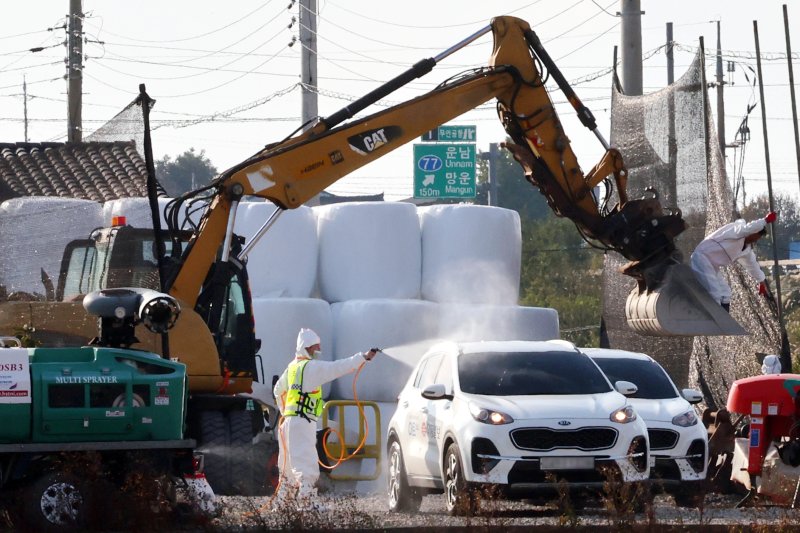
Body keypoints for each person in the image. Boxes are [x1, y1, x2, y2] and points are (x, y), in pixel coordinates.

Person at [272, 327, 378, 506]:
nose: (318, 351)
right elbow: (337, 367)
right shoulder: (311, 367)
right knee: (307, 465)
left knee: (287, 469)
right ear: (307, 347)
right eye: (316, 347)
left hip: (288, 424)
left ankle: (282, 507)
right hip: (302, 422)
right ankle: (307, 505)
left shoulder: (292, 368)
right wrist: (362, 357)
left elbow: (277, 391)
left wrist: (286, 412)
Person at [690, 212, 777, 312]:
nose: (756, 240)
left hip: (712, 266)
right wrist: (765, 220)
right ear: (753, 231)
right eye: (756, 236)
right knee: (714, 294)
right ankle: (714, 324)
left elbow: (752, 265)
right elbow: (748, 228)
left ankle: (724, 321)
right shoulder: (736, 230)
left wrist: (761, 282)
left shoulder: (746, 250)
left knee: (725, 293)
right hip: (702, 258)